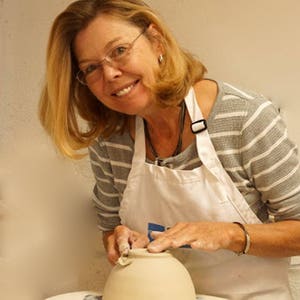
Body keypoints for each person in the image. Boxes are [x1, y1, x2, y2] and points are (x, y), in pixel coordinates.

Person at [39, 0, 300, 298]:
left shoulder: (244, 119)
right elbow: (111, 228)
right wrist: (119, 240)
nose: (109, 74)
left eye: (119, 51)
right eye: (91, 68)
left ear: (156, 40)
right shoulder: (111, 138)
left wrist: (228, 233)